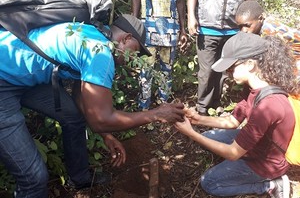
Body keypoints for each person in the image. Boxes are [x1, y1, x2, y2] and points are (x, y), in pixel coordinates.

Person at [0, 14, 185, 198]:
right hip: (3, 81)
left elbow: (83, 99)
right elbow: (100, 120)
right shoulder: (100, 53)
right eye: (134, 52)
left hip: (21, 78)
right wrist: (156, 114)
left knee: (72, 115)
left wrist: (106, 135)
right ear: (126, 38)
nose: (131, 60)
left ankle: (80, 179)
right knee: (34, 176)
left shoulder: (92, 33)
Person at [174, 32, 299, 198]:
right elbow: (233, 121)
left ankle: (270, 185)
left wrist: (190, 133)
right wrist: (197, 119)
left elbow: (233, 153)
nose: (228, 73)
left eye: (231, 67)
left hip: (266, 163)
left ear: (249, 64)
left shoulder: (269, 105)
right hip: (257, 145)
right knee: (208, 137)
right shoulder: (254, 89)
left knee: (209, 182)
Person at [187, 0, 257, 116]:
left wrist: (245, 28)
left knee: (224, 71)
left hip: (233, 30)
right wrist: (191, 16)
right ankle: (202, 108)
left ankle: (216, 104)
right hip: (207, 27)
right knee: (206, 72)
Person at [130, 0, 188, 110]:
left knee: (166, 72)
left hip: (170, 32)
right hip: (146, 31)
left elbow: (181, 0)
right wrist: (133, 22)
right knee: (145, 72)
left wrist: (183, 29)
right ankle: (143, 109)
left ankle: (164, 107)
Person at [235, 0, 300, 77]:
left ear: (261, 18)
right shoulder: (258, 29)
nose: (244, 30)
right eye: (240, 27)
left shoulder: (269, 31)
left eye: (247, 25)